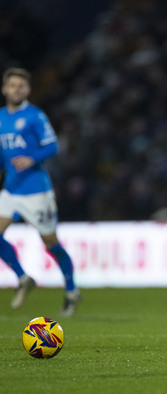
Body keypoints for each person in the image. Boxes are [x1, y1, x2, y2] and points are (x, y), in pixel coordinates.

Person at [0, 67, 81, 317]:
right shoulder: (1, 116)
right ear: (4, 89)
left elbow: (53, 145)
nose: (17, 90)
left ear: (28, 90)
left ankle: (71, 291)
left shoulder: (35, 116)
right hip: (11, 189)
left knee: (51, 244)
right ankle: (24, 278)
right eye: (12, 85)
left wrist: (31, 159)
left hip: (37, 191)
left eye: (21, 86)